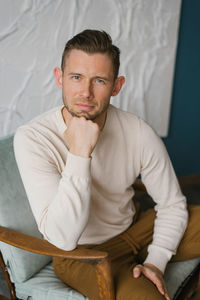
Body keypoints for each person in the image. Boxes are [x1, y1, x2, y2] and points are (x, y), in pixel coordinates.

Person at [14, 29, 199, 300]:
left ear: (116, 85)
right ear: (59, 78)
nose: (85, 92)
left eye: (99, 80)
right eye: (76, 77)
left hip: (136, 226)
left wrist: (155, 262)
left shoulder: (138, 131)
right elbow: (63, 239)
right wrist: (80, 152)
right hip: (82, 254)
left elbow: (171, 204)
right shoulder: (33, 138)